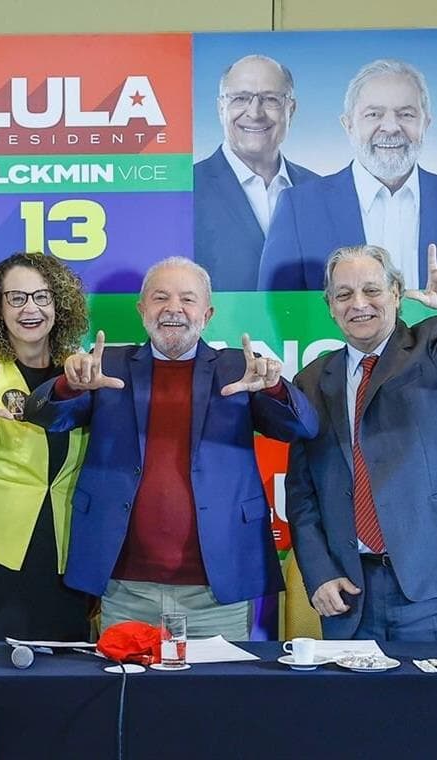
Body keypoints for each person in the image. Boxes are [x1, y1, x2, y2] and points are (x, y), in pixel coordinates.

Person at [24, 257, 319, 639]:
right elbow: (43, 416)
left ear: (207, 314)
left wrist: (274, 388)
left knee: (221, 681)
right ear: (141, 309)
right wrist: (69, 385)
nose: (173, 308)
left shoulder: (240, 368)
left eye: (187, 299)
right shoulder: (106, 366)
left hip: (219, 589)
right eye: (160, 297)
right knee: (127, 680)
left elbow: (302, 427)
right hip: (125, 587)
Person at [286, 243, 437, 640]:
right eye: (344, 294)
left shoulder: (429, 349)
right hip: (348, 596)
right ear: (330, 306)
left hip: (428, 592)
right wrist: (319, 573)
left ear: (396, 294)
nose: (358, 304)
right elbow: (302, 494)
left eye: (372, 290)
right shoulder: (311, 381)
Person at [0, 253, 91, 641]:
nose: (31, 309)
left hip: (66, 538)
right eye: (17, 298)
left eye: (42, 297)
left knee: (67, 660)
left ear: (59, 304)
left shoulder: (77, 368)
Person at [260, 59, 437, 290]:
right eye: (374, 114)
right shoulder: (299, 207)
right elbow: (273, 305)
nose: (391, 127)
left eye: (406, 114)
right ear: (348, 125)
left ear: (426, 123)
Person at [193, 54, 318, 290]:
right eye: (240, 98)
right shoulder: (185, 190)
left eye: (270, 99)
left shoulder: (319, 191)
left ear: (291, 109)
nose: (255, 112)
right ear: (221, 108)